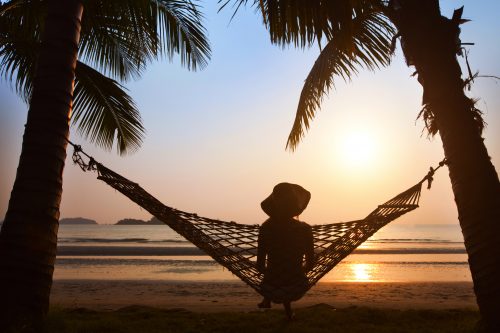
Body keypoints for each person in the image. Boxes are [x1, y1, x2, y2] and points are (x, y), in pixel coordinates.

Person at [256, 182, 315, 319]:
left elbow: (260, 266)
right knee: (287, 270)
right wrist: (298, 271)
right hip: (297, 286)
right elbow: (310, 263)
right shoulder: (305, 230)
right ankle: (288, 312)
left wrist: (271, 272)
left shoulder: (266, 229)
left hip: (270, 287)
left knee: (276, 271)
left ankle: (267, 300)